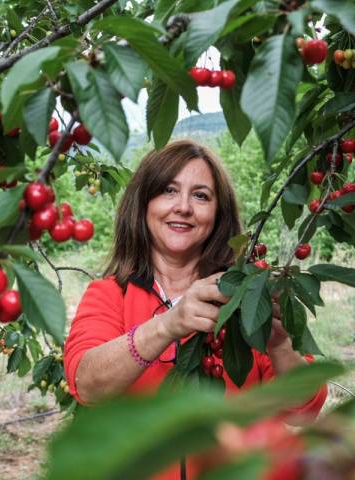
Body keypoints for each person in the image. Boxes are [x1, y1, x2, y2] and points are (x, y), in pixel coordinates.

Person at [63, 140, 327, 478]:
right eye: (168, 191)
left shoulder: (244, 296)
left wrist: (279, 345)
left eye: (201, 196)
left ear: (218, 214)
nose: (184, 207)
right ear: (143, 204)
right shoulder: (109, 295)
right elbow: (87, 385)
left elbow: (304, 410)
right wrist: (166, 326)